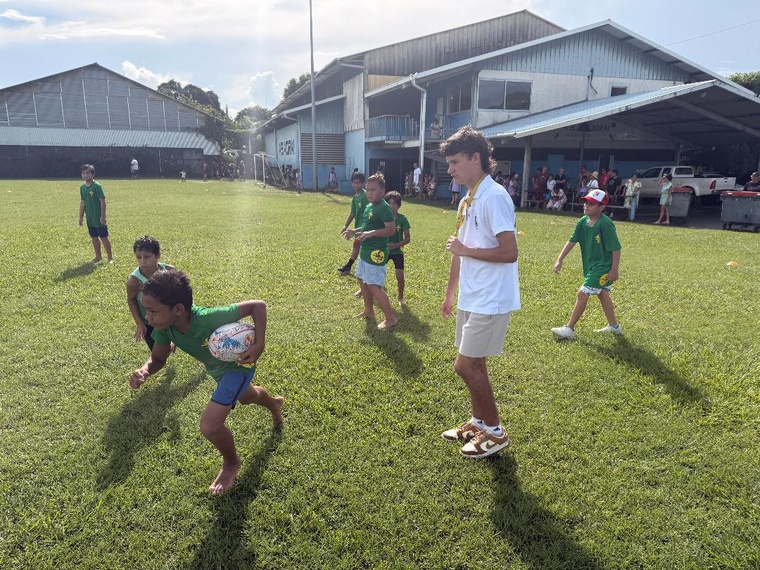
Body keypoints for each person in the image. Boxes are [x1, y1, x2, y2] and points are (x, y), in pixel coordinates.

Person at [129, 269, 283, 495]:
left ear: (178, 310)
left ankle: (231, 463)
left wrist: (258, 344)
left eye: (152, 311)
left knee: (210, 427)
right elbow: (158, 359)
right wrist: (145, 370)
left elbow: (257, 306)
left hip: (238, 367)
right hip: (218, 371)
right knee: (248, 397)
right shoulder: (164, 329)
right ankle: (274, 404)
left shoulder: (207, 318)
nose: (147, 317)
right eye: (145, 311)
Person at [440, 126, 520, 459]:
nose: (450, 170)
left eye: (455, 162)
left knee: (465, 366)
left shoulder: (495, 197)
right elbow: (461, 250)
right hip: (472, 296)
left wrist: (466, 250)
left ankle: (496, 433)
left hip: (491, 298)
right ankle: (478, 422)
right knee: (477, 363)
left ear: (477, 159)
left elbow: (509, 251)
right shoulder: (468, 198)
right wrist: (450, 294)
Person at [551, 189, 622, 340]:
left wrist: (614, 269)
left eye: (591, 203)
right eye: (585, 202)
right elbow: (572, 241)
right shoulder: (582, 222)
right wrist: (560, 259)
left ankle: (569, 329)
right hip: (590, 265)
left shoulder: (606, 224)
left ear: (601, 207)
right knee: (602, 294)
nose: (586, 205)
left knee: (582, 294)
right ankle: (614, 327)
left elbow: (616, 248)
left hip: (602, 266)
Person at [342, 174, 398, 330]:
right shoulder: (369, 206)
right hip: (365, 252)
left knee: (374, 285)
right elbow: (366, 227)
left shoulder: (384, 207)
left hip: (376, 253)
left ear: (382, 191)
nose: (370, 193)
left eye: (374, 190)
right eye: (369, 189)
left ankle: (390, 318)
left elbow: (390, 229)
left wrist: (372, 233)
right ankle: (369, 310)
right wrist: (355, 231)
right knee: (362, 279)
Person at [126, 236, 175, 350]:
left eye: (147, 257)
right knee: (157, 351)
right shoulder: (134, 281)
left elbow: (179, 292)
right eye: (139, 257)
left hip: (170, 318)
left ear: (157, 255)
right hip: (150, 322)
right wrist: (139, 323)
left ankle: (172, 341)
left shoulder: (169, 271)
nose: (142, 261)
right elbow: (131, 300)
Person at [78, 163, 113, 264]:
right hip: (90, 218)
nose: (85, 175)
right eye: (83, 173)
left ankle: (110, 257)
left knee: (104, 237)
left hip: (98, 217)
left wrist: (103, 216)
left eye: (88, 173)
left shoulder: (97, 186)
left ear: (92, 174)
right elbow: (83, 202)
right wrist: (80, 217)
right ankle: (98, 256)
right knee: (94, 237)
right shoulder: (82, 188)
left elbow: (102, 202)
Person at [338, 171, 369, 276]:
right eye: (354, 183)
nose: (356, 185)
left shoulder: (365, 196)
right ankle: (349, 266)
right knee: (356, 245)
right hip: (358, 227)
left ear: (363, 183)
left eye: (358, 183)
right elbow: (352, 213)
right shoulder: (355, 198)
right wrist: (345, 225)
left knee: (364, 247)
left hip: (366, 227)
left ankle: (364, 269)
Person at [385, 191, 411, 306]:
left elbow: (407, 238)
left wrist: (395, 245)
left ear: (399, 205)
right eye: (389, 203)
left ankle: (400, 297)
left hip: (396, 251)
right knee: (377, 272)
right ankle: (370, 291)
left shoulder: (402, 219)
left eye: (394, 203)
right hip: (384, 251)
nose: (391, 206)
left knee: (400, 275)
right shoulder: (382, 219)